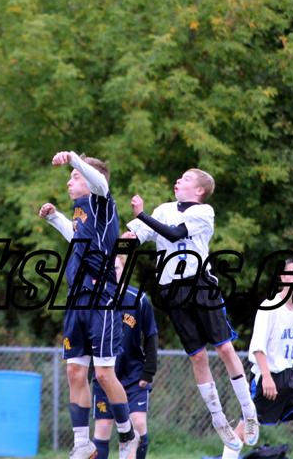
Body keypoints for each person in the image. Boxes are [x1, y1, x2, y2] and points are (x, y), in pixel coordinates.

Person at [124, 168, 258, 452]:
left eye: (185, 179)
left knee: (224, 348)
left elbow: (174, 234)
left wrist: (142, 214)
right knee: (197, 356)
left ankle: (249, 412)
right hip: (172, 290)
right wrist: (114, 242)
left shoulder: (204, 212)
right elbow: (136, 235)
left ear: (199, 190)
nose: (177, 180)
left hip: (200, 284)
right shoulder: (163, 210)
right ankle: (219, 420)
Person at [39, 151, 139, 459]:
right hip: (77, 300)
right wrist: (55, 218)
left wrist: (74, 159)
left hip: (101, 300)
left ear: (91, 180)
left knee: (104, 375)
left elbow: (99, 181)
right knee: (74, 372)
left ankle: (128, 433)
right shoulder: (81, 211)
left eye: (75, 177)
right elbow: (76, 239)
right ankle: (82, 443)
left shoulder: (102, 202)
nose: (70, 181)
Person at [222, 258, 293, 459]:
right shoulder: (269, 306)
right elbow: (258, 347)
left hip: (289, 378)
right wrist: (267, 377)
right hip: (267, 377)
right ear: (283, 277)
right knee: (245, 430)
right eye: (291, 274)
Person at [91, 255, 158, 459]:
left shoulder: (139, 299)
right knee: (103, 427)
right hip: (105, 375)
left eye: (117, 268)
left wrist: (149, 371)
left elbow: (151, 335)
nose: (112, 273)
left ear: (125, 270)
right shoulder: (95, 299)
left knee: (138, 423)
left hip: (133, 376)